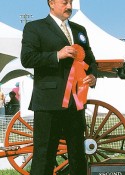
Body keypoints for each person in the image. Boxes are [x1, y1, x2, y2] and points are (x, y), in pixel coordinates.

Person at [20, 0, 98, 174]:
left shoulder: (80, 30)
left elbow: (91, 60)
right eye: (64, 2)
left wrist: (93, 76)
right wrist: (57, 55)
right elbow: (27, 58)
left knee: (78, 153)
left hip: (75, 103)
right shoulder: (34, 27)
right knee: (44, 154)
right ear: (51, 3)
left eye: (70, 2)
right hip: (48, 102)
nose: (69, 6)